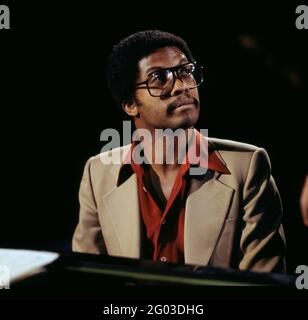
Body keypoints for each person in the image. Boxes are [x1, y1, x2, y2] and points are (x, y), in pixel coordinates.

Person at [72, 30, 285, 272]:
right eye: (159, 78)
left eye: (185, 71)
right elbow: (88, 277)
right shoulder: (97, 172)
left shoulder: (247, 167)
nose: (181, 87)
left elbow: (263, 285)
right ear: (130, 105)